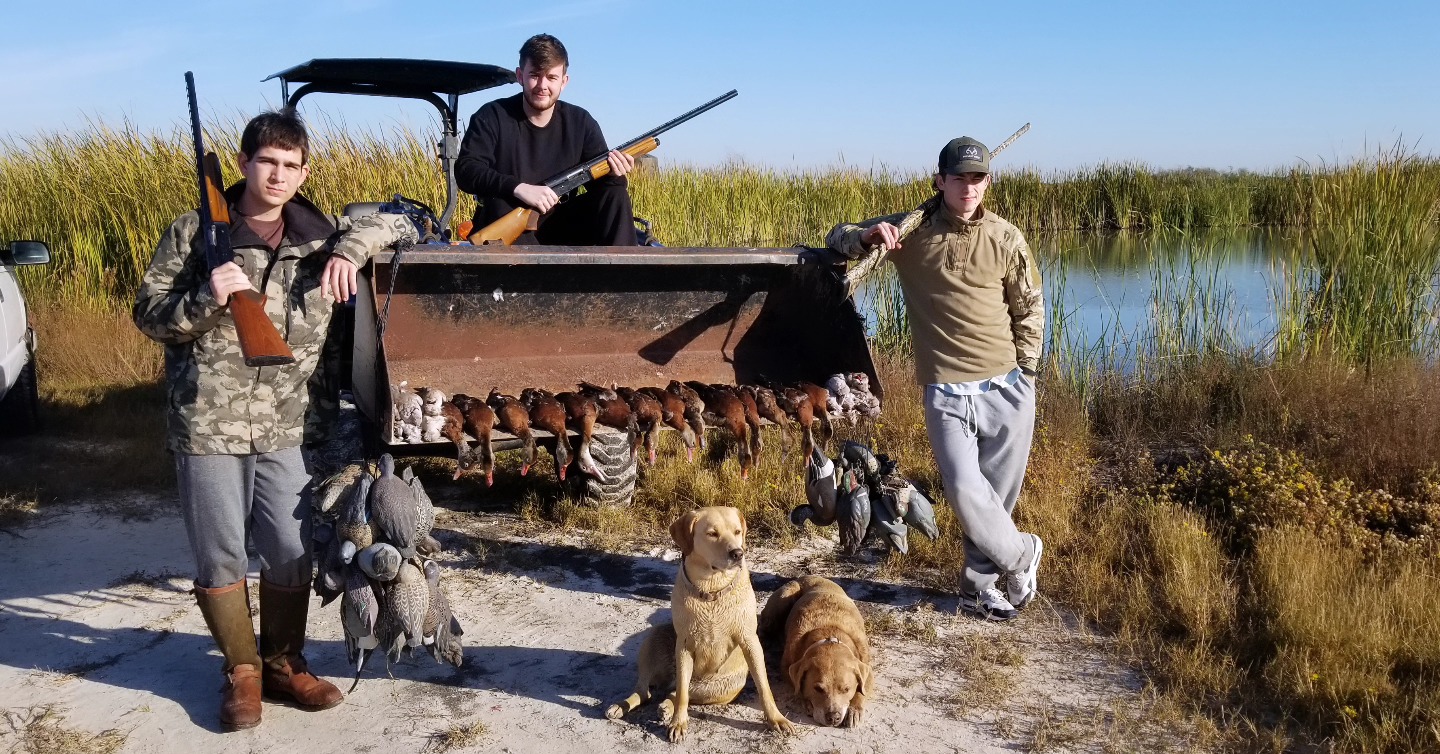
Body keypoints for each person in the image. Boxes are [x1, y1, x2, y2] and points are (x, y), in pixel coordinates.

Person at [133, 109, 417, 730]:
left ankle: (285, 663)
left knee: (290, 550)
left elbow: (402, 224)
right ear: (243, 164)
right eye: (267, 162)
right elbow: (149, 316)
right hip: (208, 421)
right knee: (219, 553)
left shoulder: (320, 236)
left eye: (291, 165)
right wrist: (208, 297)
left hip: (288, 425)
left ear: (304, 170)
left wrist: (348, 247)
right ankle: (242, 673)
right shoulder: (192, 234)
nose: (279, 175)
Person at [826, 137, 1045, 621]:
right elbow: (836, 238)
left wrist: (1027, 373)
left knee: (995, 501)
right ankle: (1023, 554)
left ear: (987, 182)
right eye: (959, 177)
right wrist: (865, 238)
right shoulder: (908, 232)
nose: (969, 187)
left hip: (1006, 387)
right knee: (965, 492)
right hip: (946, 390)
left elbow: (1029, 307)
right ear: (939, 180)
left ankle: (976, 589)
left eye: (977, 178)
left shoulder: (1007, 237)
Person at [455, 33, 638, 246]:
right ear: (520, 76)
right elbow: (467, 170)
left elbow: (602, 188)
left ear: (564, 81)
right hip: (508, 227)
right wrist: (519, 188)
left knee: (615, 195)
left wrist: (616, 174)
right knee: (499, 202)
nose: (542, 85)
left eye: (551, 77)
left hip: (563, 226)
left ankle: (623, 277)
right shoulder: (492, 115)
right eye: (534, 75)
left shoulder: (581, 122)